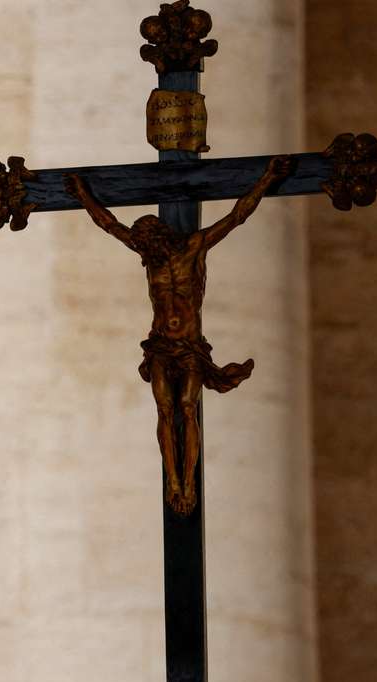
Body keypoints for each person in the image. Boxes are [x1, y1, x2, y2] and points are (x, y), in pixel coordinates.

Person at [62, 154, 295, 515]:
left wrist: (267, 179)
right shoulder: (149, 254)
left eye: (147, 244)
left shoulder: (193, 248)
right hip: (159, 347)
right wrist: (80, 194)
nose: (143, 252)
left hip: (189, 347)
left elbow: (237, 216)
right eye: (141, 247)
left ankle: (189, 482)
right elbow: (108, 224)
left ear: (159, 236)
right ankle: (173, 481)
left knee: (188, 408)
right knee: (165, 409)